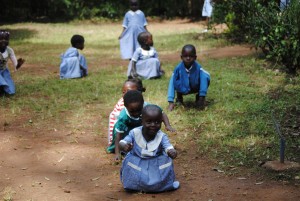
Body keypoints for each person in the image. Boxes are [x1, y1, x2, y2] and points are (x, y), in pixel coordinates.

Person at [119, 104, 180, 192]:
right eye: (149, 122)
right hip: (137, 163)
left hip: (155, 165)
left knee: (166, 159)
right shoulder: (135, 133)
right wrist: (124, 146)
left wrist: (172, 151)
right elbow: (123, 142)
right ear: (142, 121)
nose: (153, 125)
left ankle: (161, 185)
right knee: (129, 159)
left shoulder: (161, 136)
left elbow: (168, 147)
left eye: (157, 122)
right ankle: (133, 185)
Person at [107, 90, 175, 161]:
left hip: (141, 129)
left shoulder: (147, 107)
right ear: (125, 107)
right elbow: (118, 136)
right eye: (132, 111)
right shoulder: (123, 117)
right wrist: (117, 153)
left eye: (139, 110)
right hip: (126, 131)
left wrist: (167, 125)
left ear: (143, 104)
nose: (136, 113)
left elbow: (161, 113)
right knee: (127, 145)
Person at [167, 44, 210, 111]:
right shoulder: (178, 69)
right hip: (182, 87)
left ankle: (199, 98)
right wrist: (170, 101)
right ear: (181, 57)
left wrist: (202, 97)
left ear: (195, 57)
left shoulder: (198, 68)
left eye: (191, 56)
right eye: (185, 56)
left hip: (195, 86)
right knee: (175, 79)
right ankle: (179, 98)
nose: (188, 58)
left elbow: (204, 79)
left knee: (205, 77)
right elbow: (171, 83)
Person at [107, 78, 146, 145]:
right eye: (123, 92)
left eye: (128, 91)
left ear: (139, 92)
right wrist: (111, 140)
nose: (125, 94)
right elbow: (114, 123)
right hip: (122, 130)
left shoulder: (141, 102)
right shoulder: (122, 104)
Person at [0, 30, 25, 95]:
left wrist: (17, 65)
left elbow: (14, 61)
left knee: (11, 91)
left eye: (5, 39)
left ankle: (4, 89)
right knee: (1, 82)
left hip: (4, 70)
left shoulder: (9, 50)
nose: (3, 41)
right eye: (1, 39)